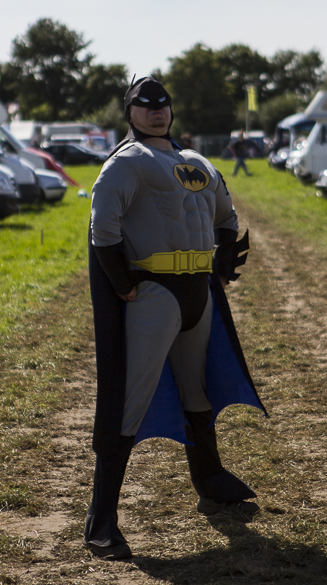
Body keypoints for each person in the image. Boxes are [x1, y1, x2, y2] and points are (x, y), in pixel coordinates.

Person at [84, 77, 267, 560]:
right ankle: (102, 517)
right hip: (154, 292)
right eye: (144, 105)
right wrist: (124, 284)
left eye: (161, 104)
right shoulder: (126, 163)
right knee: (130, 399)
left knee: (197, 392)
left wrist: (223, 263)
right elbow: (102, 227)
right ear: (129, 112)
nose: (155, 110)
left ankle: (210, 481)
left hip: (197, 292)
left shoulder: (199, 162)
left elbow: (225, 217)